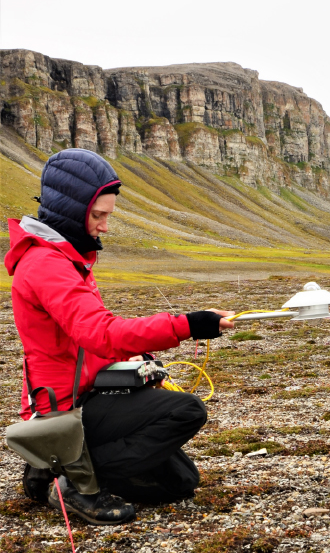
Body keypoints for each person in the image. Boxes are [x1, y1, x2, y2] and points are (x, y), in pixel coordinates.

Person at [5, 148, 234, 524]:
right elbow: (100, 333)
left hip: (92, 392)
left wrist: (138, 359)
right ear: (71, 209)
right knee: (187, 410)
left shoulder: (68, 258)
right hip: (66, 408)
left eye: (108, 215)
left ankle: (49, 469)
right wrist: (188, 324)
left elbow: (86, 339)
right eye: (98, 215)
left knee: (179, 483)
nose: (105, 226)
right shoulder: (46, 264)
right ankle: (72, 479)